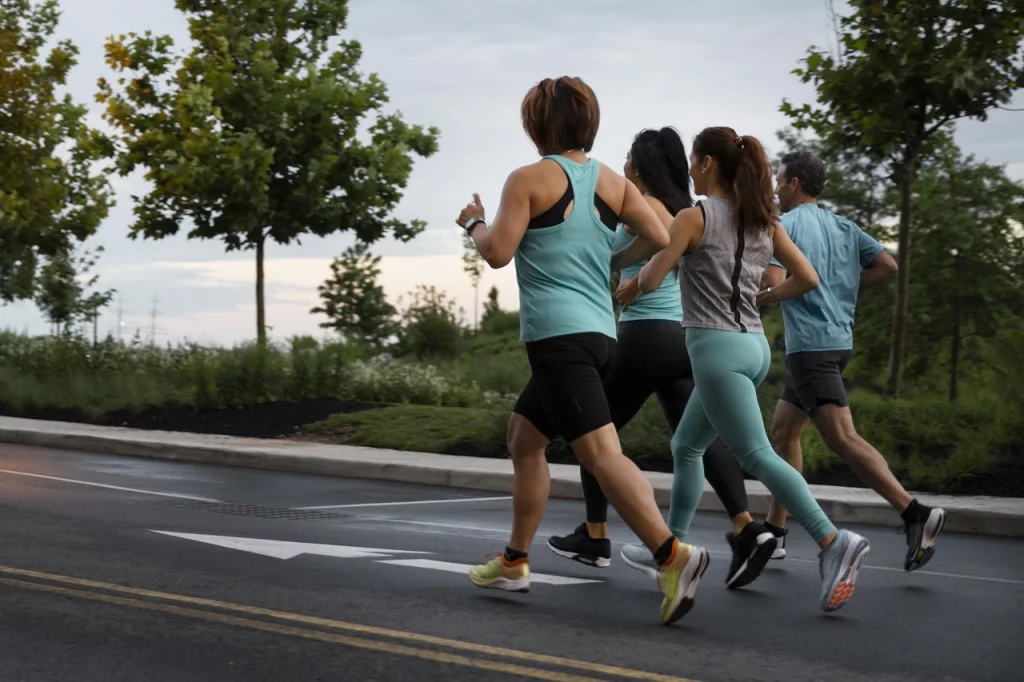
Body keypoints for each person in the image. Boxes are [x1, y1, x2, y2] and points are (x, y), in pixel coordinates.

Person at [455, 77, 710, 625]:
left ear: (536, 124)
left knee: (600, 454)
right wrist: (613, 262)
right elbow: (664, 235)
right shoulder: (613, 183)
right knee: (524, 438)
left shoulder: (527, 179)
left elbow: (498, 252)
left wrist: (474, 222)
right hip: (601, 335)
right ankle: (516, 560)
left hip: (558, 340)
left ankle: (673, 555)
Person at [616, 126, 870, 614]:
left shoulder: (695, 216)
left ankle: (833, 540)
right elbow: (808, 278)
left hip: (715, 348)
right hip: (754, 347)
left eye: (693, 161)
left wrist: (633, 285)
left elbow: (651, 274)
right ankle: (673, 549)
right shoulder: (762, 219)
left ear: (707, 164)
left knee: (756, 455)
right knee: (686, 445)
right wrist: (765, 296)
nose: (688, 169)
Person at [546, 126, 776, 591]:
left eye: (630, 158)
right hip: (683, 340)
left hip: (646, 336)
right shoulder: (683, 208)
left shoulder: (648, 207)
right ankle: (746, 526)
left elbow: (622, 254)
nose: (625, 164)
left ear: (642, 165)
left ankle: (595, 536)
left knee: (594, 433)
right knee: (694, 440)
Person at [761, 150, 945, 571]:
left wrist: (760, 296)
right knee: (783, 431)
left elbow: (772, 283)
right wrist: (843, 289)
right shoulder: (843, 226)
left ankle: (914, 511)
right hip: (837, 342)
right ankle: (776, 530)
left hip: (810, 347)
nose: (774, 188)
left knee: (841, 437)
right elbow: (887, 265)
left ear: (793, 183)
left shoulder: (785, 227)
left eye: (779, 180)